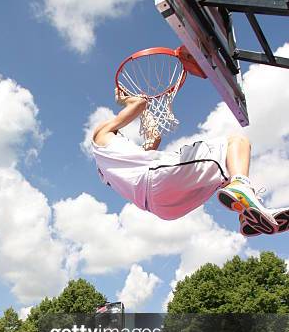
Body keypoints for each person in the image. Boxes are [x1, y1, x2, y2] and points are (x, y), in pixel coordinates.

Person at [92, 86, 289, 236]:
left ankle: (247, 214)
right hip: (156, 180)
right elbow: (138, 104)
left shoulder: (114, 165)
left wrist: (144, 111)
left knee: (226, 171)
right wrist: (127, 100)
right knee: (236, 143)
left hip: (162, 208)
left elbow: (154, 138)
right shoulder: (101, 134)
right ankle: (242, 186)